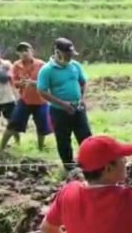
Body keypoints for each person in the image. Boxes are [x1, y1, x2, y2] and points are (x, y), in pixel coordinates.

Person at [38, 37, 92, 171]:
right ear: (58, 53)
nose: (69, 58)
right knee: (63, 140)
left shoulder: (75, 66)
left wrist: (82, 98)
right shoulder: (47, 70)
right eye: (67, 54)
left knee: (86, 137)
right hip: (59, 111)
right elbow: (42, 91)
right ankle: (69, 168)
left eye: (71, 55)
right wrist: (62, 104)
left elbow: (83, 82)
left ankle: (90, 163)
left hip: (77, 108)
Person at [0, 42, 50, 152]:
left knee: (42, 127)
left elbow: (48, 82)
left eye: (26, 50)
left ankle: (40, 148)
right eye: (21, 51)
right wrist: (20, 83)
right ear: (18, 53)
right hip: (25, 100)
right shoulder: (16, 65)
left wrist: (34, 83)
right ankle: (1, 148)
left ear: (32, 51)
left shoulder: (41, 65)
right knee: (13, 124)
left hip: (41, 101)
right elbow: (14, 82)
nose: (24, 53)